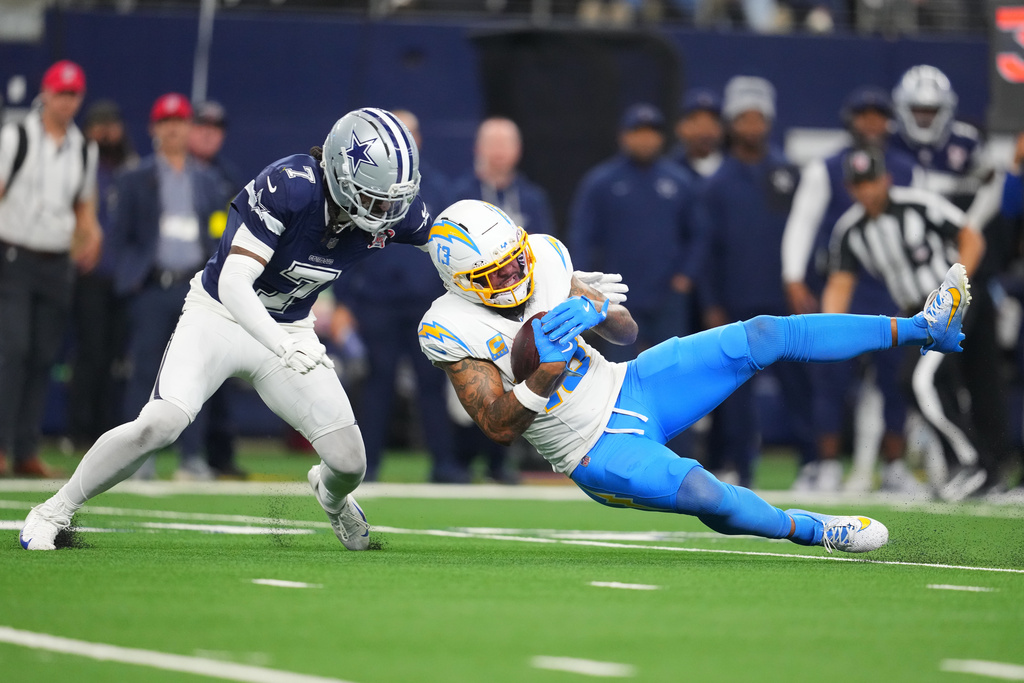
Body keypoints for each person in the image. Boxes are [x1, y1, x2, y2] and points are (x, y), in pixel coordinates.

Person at [418, 199, 971, 554]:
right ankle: (817, 530)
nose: (517, 272)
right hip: (594, 450)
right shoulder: (449, 326)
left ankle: (925, 327)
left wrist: (598, 311)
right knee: (703, 490)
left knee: (763, 334)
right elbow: (496, 425)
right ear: (461, 278)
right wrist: (545, 375)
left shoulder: (542, 257)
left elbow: (627, 332)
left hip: (629, 384)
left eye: (517, 259)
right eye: (499, 271)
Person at [20, 107, 429, 551]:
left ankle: (331, 500)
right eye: (373, 196)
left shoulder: (392, 211)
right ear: (338, 173)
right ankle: (53, 510)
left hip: (289, 329)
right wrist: (280, 345)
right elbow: (235, 284)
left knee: (351, 463)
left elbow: (455, 238)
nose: (386, 209)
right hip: (221, 316)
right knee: (160, 424)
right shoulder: (290, 187)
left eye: (392, 198)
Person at [821, 146, 988, 502]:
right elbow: (840, 284)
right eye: (858, 185)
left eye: (871, 181)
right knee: (935, 385)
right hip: (917, 313)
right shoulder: (850, 230)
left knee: (918, 380)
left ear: (887, 179)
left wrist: (955, 288)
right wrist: (825, 331)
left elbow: (970, 236)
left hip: (954, 299)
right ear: (850, 189)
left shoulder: (917, 204)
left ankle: (973, 465)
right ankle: (965, 466)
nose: (866, 191)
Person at [780, 86, 920, 494]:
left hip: (894, 286)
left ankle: (894, 465)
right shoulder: (825, 167)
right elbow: (803, 222)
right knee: (830, 374)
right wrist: (793, 275)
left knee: (896, 379)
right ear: (850, 119)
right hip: (842, 283)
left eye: (879, 115)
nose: (872, 123)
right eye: (865, 115)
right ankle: (826, 464)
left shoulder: (905, 167)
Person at [890, 64, 1013, 496]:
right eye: (918, 110)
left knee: (976, 374)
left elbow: (992, 188)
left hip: (967, 275)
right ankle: (969, 463)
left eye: (931, 110)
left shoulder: (965, 143)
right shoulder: (889, 151)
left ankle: (983, 465)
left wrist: (969, 230)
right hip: (927, 282)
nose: (924, 117)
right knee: (937, 376)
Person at [330, 108, 464, 483]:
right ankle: (367, 465)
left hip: (426, 302)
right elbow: (346, 243)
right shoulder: (363, 181)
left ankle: (444, 463)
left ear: (418, 140)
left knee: (433, 383)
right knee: (376, 386)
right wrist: (343, 302)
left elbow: (453, 248)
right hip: (377, 302)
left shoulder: (440, 188)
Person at [110, 93, 232, 482]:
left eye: (180, 121)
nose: (174, 128)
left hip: (193, 289)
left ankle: (191, 458)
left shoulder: (209, 181)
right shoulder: (135, 178)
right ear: (154, 130)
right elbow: (120, 237)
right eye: (166, 122)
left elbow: (218, 231)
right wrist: (130, 279)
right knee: (145, 372)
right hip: (153, 286)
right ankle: (138, 459)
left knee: (197, 373)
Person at [699, 76, 812, 488]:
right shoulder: (716, 184)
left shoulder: (789, 174)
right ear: (731, 122)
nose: (751, 125)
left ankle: (812, 463)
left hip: (785, 302)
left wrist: (803, 287)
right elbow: (707, 252)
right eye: (743, 117)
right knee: (735, 396)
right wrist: (712, 303)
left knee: (800, 388)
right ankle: (742, 469)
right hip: (737, 304)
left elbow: (805, 237)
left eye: (758, 117)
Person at [0, 59, 102, 477]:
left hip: (55, 262)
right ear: (45, 93)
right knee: (13, 350)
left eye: (74, 93)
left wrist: (90, 236)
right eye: (61, 92)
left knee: (43, 355)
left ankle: (25, 450)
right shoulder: (16, 136)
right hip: (14, 257)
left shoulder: (83, 148)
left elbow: (83, 207)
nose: (67, 100)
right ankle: (2, 445)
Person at [568, 103, 703, 364]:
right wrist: (583, 285)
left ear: (662, 137)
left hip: (668, 296)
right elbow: (582, 236)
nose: (645, 139)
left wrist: (686, 275)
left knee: (672, 368)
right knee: (619, 370)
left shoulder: (679, 181)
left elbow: (699, 233)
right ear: (624, 136)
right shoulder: (601, 182)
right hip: (618, 295)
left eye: (652, 132)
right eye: (638, 131)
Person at [67, 99, 137, 450]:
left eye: (112, 124)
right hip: (89, 276)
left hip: (123, 278)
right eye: (99, 124)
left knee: (116, 357)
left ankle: (109, 431)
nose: (106, 132)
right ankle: (81, 430)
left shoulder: (132, 169)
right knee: (90, 353)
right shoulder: (79, 167)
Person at [188, 99, 246, 479]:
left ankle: (218, 454)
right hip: (180, 278)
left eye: (215, 128)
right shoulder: (173, 173)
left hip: (219, 281)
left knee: (221, 371)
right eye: (202, 126)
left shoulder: (229, 177)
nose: (208, 134)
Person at [449, 117, 555, 236]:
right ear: (477, 148)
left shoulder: (533, 199)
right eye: (492, 143)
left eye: (505, 144)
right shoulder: (461, 197)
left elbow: (544, 243)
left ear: (518, 148)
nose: (499, 151)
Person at [668, 87, 724, 184]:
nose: (705, 131)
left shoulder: (735, 168)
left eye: (711, 123)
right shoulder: (669, 171)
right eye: (697, 123)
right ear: (680, 128)